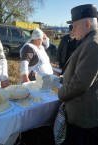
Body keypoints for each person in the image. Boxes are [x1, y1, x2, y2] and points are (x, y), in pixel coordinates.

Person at [58, 4, 98, 145]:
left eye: (75, 26)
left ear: (87, 23)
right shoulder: (88, 40)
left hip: (83, 116)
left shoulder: (93, 43)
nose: (72, 31)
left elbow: (80, 82)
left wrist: (61, 93)